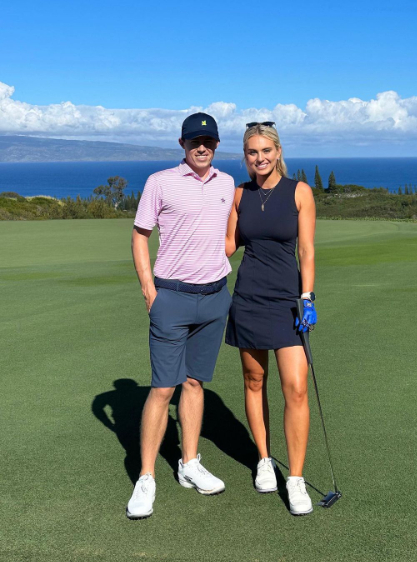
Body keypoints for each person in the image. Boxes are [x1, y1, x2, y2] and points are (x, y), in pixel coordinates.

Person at [126, 113, 235, 519]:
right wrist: (149, 290)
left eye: (207, 140)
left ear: (217, 144)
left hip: (214, 298)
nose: (201, 147)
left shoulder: (226, 184)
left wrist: (215, 263)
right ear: (182, 144)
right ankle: (147, 477)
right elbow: (140, 235)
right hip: (170, 297)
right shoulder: (160, 182)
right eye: (194, 141)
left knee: (194, 382)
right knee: (162, 388)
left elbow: (228, 236)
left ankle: (189, 463)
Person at [225, 122, 317, 516]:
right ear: (245, 156)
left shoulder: (300, 192)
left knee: (295, 387)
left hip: (287, 302)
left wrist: (307, 296)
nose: (259, 158)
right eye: (251, 152)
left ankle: (294, 479)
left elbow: (307, 252)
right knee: (254, 379)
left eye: (265, 150)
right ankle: (264, 459)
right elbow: (228, 246)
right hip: (247, 299)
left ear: (277, 151)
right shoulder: (238, 194)